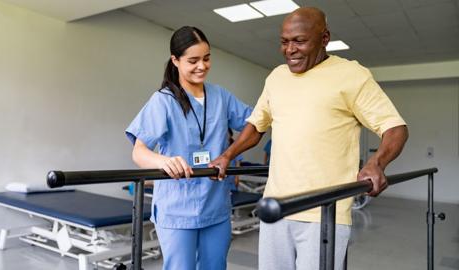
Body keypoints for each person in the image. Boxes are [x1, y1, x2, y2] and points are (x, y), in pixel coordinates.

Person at [209, 7, 408, 270]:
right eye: (284, 42)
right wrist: (227, 156)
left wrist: (376, 162)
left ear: (324, 38)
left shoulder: (351, 75)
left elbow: (395, 127)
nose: (290, 49)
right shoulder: (276, 77)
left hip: (324, 212)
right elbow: (256, 126)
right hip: (276, 207)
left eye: (299, 41)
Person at [125, 26, 252, 270]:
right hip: (177, 209)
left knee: (215, 266)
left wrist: (230, 154)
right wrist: (162, 161)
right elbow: (138, 152)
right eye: (193, 60)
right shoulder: (163, 100)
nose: (202, 66)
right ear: (175, 60)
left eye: (206, 58)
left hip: (215, 207)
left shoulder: (221, 97)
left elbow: (254, 124)